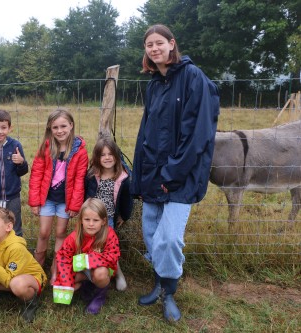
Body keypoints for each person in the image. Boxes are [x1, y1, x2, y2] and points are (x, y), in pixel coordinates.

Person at [131, 24, 220, 322]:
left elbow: (198, 134)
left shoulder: (193, 78)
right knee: (151, 234)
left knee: (169, 239)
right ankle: (158, 282)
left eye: (159, 43)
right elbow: (146, 131)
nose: (154, 49)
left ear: (172, 44)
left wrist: (171, 175)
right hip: (152, 174)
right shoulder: (154, 84)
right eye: (148, 45)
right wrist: (140, 175)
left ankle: (169, 291)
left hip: (179, 177)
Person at [28, 108, 89, 284]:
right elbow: (36, 175)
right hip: (47, 199)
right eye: (55, 127)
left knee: (61, 232)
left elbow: (79, 180)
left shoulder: (80, 151)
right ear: (50, 128)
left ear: (71, 125)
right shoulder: (46, 147)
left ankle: (56, 268)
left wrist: (75, 205)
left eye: (63, 126)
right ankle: (37, 268)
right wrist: (34, 201)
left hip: (66, 201)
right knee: (43, 232)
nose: (60, 130)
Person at [53, 198, 120, 315]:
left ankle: (100, 297)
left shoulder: (109, 234)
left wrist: (86, 259)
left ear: (104, 221)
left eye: (96, 220)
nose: (91, 224)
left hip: (102, 270)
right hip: (81, 270)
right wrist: (65, 283)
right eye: (87, 219)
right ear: (81, 220)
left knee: (100, 274)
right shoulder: (73, 237)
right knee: (62, 279)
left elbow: (112, 257)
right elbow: (63, 259)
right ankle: (87, 285)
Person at [85, 137, 133, 291]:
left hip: (108, 219)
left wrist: (124, 216)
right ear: (97, 157)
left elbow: (127, 199)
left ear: (117, 156)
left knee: (108, 246)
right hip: (91, 217)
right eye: (103, 155)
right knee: (88, 244)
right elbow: (86, 195)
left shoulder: (123, 178)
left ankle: (118, 274)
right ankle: (90, 271)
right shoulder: (92, 175)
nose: (107, 158)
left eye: (110, 154)